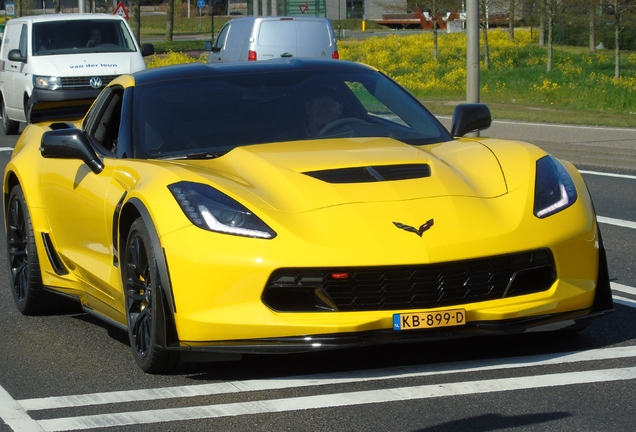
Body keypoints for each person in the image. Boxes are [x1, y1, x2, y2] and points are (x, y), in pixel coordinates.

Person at [279, 86, 344, 140]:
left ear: (340, 109)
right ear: (308, 107)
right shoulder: (287, 140)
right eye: (319, 102)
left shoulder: (350, 135)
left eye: (331, 103)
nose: (324, 107)